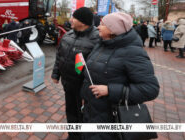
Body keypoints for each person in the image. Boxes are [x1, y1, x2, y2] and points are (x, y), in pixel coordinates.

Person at [81, 12, 159, 140]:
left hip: (112, 119)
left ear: (114, 29)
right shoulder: (102, 44)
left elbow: (150, 89)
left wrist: (110, 90)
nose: (98, 27)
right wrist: (84, 95)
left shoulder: (134, 52)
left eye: (103, 24)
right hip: (92, 111)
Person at [52, 7, 99, 140]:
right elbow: (59, 56)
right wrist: (56, 74)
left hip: (85, 88)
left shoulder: (97, 39)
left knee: (84, 114)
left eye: (74, 17)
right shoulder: (68, 35)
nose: (70, 20)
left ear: (83, 22)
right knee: (71, 111)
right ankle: (73, 136)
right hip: (68, 84)